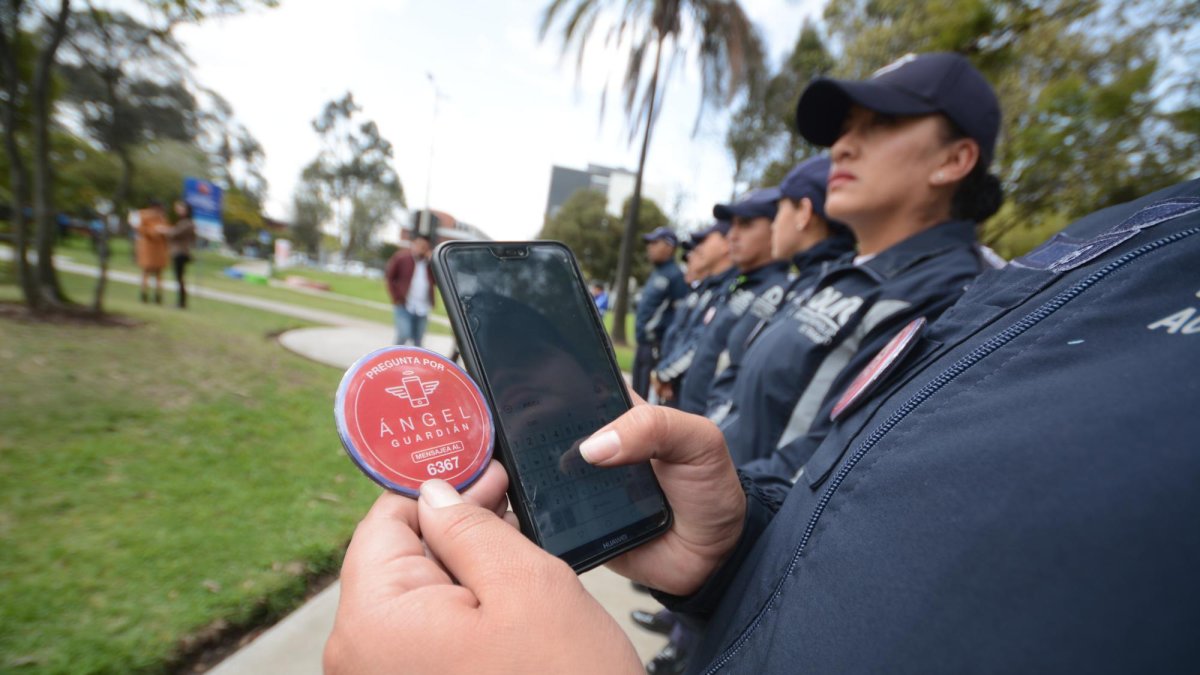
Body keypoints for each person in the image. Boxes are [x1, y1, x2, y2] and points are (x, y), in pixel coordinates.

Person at [324, 179, 1200, 675]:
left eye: (882, 121)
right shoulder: (1140, 231)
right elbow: (890, 474)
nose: (846, 144)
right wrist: (739, 547)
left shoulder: (944, 274)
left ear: (956, 155)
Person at [701, 156, 856, 429]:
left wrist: (709, 436)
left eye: (746, 224)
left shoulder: (825, 289)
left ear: (804, 213)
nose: (731, 236)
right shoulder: (802, 285)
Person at [673, 191, 790, 415]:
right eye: (732, 226)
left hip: (711, 435)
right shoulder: (737, 285)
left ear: (777, 226)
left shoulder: (779, 293)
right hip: (692, 415)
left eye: (745, 225)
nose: (732, 236)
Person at [653, 221, 736, 407]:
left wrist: (664, 374)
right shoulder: (706, 289)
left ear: (725, 244)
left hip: (696, 397)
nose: (691, 256)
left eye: (702, 244)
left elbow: (699, 342)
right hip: (679, 383)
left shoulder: (726, 289)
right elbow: (681, 334)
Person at [632, 227, 688, 400]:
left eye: (655, 243)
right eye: (649, 243)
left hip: (656, 348)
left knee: (646, 402)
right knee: (634, 398)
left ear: (670, 246)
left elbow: (680, 318)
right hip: (642, 345)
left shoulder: (676, 276)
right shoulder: (657, 273)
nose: (650, 247)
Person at [385, 234, 435, 346]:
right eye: (418, 245)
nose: (420, 248)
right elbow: (389, 277)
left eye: (424, 246)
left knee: (418, 340)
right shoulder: (402, 258)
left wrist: (432, 261)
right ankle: (395, 359)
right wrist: (396, 297)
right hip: (404, 304)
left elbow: (437, 281)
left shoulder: (429, 264)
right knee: (403, 335)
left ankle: (415, 363)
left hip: (422, 307)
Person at [159, 200, 197, 309]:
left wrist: (164, 230)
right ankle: (180, 302)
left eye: (181, 208)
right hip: (177, 252)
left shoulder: (187, 223)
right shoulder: (183, 222)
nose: (179, 210)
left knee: (180, 278)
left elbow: (174, 233)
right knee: (178, 278)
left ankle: (181, 303)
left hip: (181, 253)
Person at [134, 201, 169, 304]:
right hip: (148, 249)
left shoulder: (162, 218)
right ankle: (144, 294)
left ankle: (158, 295)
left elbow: (167, 231)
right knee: (146, 272)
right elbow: (141, 230)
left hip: (159, 249)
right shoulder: (143, 216)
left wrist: (164, 232)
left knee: (158, 274)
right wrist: (154, 232)